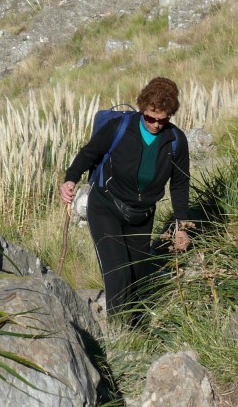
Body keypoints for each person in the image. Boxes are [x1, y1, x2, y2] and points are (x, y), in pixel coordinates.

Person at [60, 77, 190, 322]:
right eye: (150, 118)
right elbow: (88, 154)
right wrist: (70, 179)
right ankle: (119, 334)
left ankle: (135, 330)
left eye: (162, 120)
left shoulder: (176, 141)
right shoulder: (119, 128)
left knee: (137, 278)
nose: (155, 125)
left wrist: (181, 225)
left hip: (142, 215)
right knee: (118, 274)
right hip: (106, 207)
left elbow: (180, 184)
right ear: (142, 109)